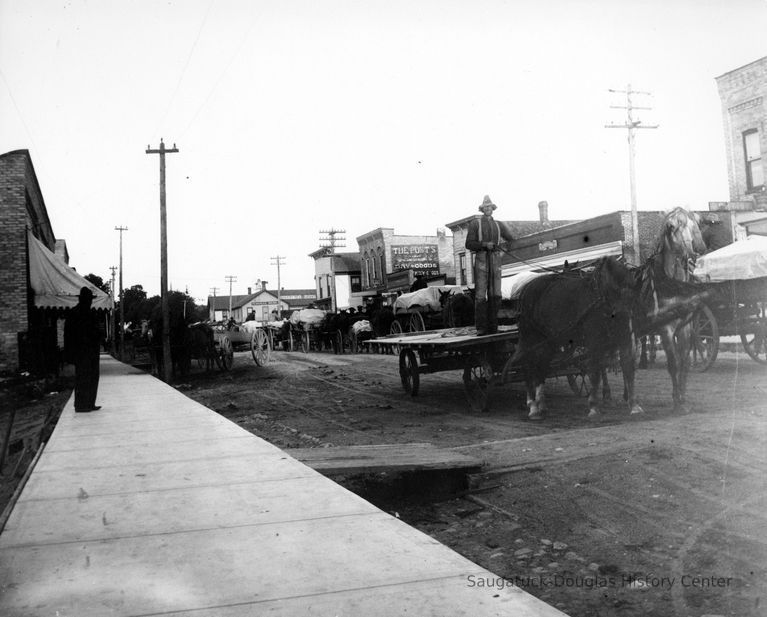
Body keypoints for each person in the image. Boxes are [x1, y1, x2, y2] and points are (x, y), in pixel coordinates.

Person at [465, 195, 514, 335]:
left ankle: (493, 326)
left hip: (495, 261)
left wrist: (504, 252)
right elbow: (469, 244)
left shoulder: (498, 224)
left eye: (490, 207)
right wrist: (485, 245)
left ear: (493, 209)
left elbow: (511, 240)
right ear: (482, 209)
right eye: (485, 207)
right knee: (481, 295)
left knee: (496, 294)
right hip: (481, 260)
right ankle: (481, 328)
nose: (488, 209)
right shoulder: (476, 224)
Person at [64, 287, 103, 412]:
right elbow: (69, 335)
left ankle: (89, 403)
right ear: (84, 300)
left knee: (90, 378)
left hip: (88, 352)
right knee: (84, 378)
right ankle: (81, 405)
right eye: (89, 300)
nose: (90, 302)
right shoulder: (77, 313)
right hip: (83, 352)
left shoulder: (87, 313)